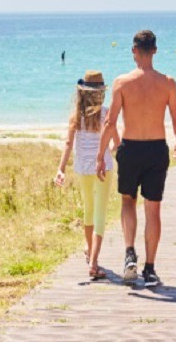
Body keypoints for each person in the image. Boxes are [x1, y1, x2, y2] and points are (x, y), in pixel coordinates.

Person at [96, 30, 176, 287]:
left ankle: (129, 253)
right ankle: (150, 268)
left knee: (127, 201)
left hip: (131, 148)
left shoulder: (122, 83)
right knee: (153, 208)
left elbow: (110, 122)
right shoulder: (168, 83)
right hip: (157, 148)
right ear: (155, 50)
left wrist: (101, 155)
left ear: (134, 50)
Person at [55, 70, 119, 280]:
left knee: (88, 209)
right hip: (103, 167)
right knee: (100, 212)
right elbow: (116, 144)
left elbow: (68, 144)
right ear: (100, 93)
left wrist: (61, 169)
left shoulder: (76, 116)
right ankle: (93, 262)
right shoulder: (107, 114)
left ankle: (90, 253)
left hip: (83, 167)